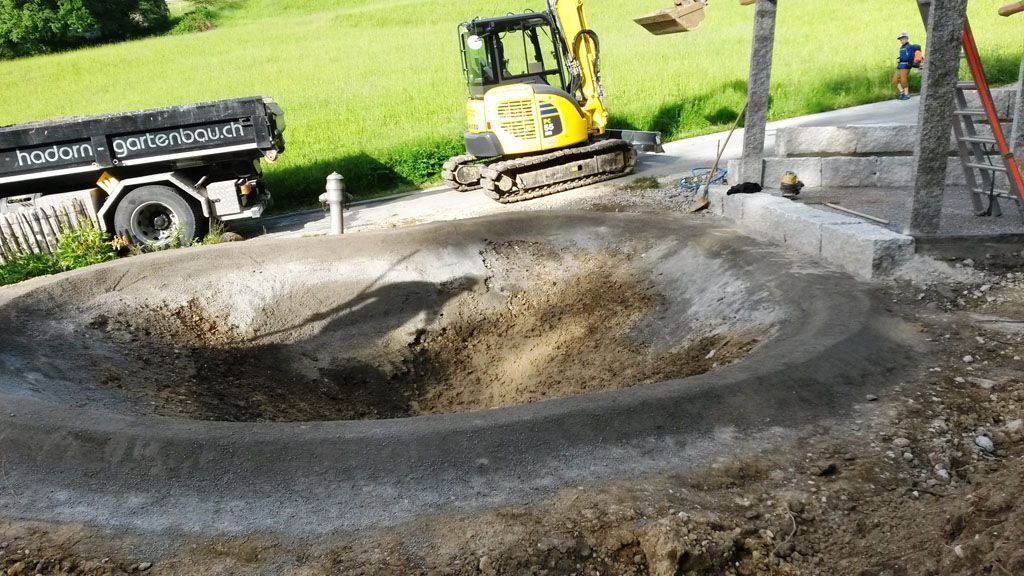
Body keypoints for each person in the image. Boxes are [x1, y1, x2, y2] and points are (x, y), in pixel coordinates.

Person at [892, 32, 923, 101]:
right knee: (894, 80)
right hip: (900, 66)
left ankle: (906, 94)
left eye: (903, 39)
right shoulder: (902, 47)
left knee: (903, 80)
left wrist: (900, 59)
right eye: (900, 39)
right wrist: (899, 58)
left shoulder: (909, 47)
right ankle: (901, 92)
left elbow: (909, 57)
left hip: (906, 65)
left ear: (906, 39)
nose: (901, 41)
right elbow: (903, 56)